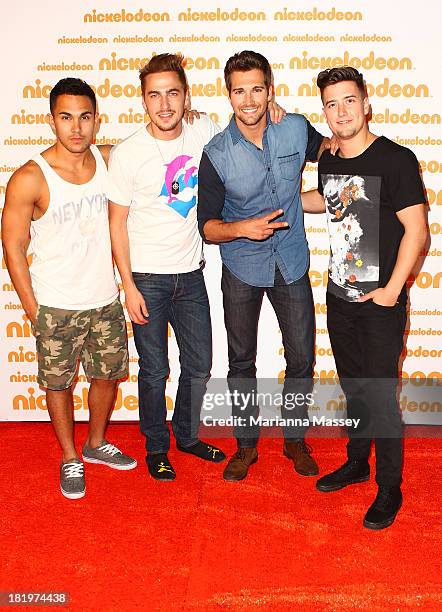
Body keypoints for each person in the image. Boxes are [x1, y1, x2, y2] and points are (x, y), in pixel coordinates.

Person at [301, 66, 427, 529]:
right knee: (354, 390)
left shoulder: (396, 160)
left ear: (366, 103)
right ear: (325, 113)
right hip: (339, 298)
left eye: (349, 100)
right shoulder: (330, 157)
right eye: (332, 104)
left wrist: (392, 292)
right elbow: (331, 198)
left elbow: (417, 233)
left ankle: (389, 489)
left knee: (379, 396)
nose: (341, 111)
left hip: (380, 306)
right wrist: (289, 199)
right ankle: (357, 463)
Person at [198, 50, 332, 482]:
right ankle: (246, 445)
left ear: (270, 89)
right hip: (242, 265)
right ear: (229, 95)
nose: (249, 99)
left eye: (257, 88)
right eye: (240, 91)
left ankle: (294, 439)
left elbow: (329, 149)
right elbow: (207, 227)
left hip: (291, 261)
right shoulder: (216, 153)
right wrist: (242, 228)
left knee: (301, 358)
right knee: (241, 361)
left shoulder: (293, 128)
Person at [2, 78, 136, 500]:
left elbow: (156, 143)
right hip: (56, 305)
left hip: (104, 298)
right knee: (58, 384)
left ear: (96, 120)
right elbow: (13, 245)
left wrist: (187, 117)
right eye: (66, 117)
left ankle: (95, 444)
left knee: (106, 377)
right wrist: (31, 308)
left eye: (84, 117)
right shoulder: (29, 177)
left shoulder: (110, 159)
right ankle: (68, 455)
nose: (76, 128)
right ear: (51, 121)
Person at [107, 53, 231, 481]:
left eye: (172, 94)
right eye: (154, 95)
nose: (164, 105)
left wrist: (273, 108)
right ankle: (156, 447)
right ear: (143, 101)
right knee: (155, 370)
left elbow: (243, 124)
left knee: (199, 364)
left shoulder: (203, 130)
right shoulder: (128, 153)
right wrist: (129, 286)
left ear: (186, 97)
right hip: (147, 279)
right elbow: (116, 222)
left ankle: (187, 436)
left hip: (191, 275)